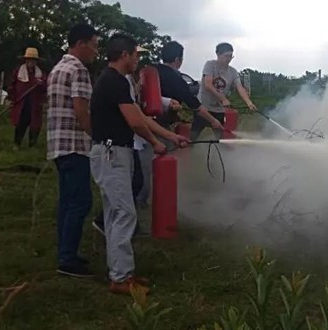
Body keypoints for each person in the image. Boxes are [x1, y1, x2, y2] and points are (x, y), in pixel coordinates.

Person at [89, 35, 188, 294]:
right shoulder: (113, 81)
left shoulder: (117, 81)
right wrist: (155, 143)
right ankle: (121, 278)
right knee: (124, 213)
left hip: (113, 152)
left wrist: (170, 137)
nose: (137, 60)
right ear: (124, 55)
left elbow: (141, 117)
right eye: (135, 55)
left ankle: (120, 272)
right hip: (112, 153)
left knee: (116, 214)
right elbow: (135, 122)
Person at [46, 23, 99, 278]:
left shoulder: (58, 68)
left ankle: (66, 252)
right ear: (81, 43)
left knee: (67, 201)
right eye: (94, 45)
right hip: (75, 144)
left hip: (58, 144)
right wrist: (96, 136)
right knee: (80, 201)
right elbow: (81, 110)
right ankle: (67, 259)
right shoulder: (78, 70)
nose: (96, 52)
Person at [191, 42, 256, 140]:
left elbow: (240, 87)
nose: (229, 59)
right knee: (193, 136)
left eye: (231, 56)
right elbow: (208, 84)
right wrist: (223, 99)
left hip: (218, 110)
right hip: (203, 108)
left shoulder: (233, 72)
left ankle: (218, 150)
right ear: (218, 54)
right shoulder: (210, 65)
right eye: (226, 56)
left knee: (219, 138)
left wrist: (249, 102)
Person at [155, 41, 224, 132]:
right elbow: (196, 107)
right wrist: (214, 121)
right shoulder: (176, 80)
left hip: (146, 121)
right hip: (161, 125)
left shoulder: (154, 71)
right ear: (177, 59)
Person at [9, 47, 47, 149]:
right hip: (22, 102)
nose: (31, 62)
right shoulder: (18, 71)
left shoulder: (40, 74)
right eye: (29, 59)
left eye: (33, 60)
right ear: (26, 60)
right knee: (21, 123)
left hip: (35, 103)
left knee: (35, 124)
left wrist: (41, 84)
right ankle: (17, 144)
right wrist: (12, 98)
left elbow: (45, 88)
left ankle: (32, 145)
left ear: (36, 61)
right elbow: (12, 86)